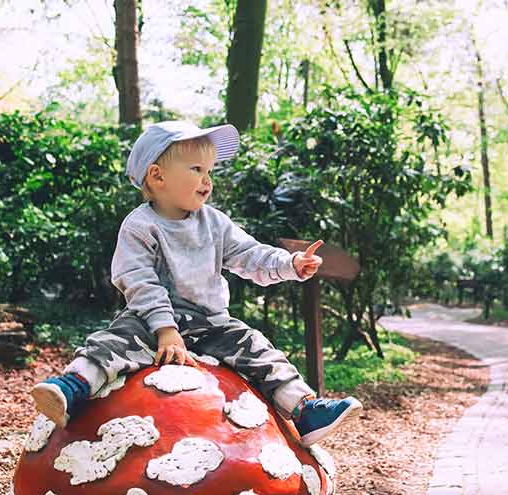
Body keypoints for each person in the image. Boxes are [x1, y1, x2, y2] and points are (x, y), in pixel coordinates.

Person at [30, 120, 362, 447]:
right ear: (157, 176)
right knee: (112, 342)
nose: (207, 180)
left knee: (257, 347)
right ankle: (72, 388)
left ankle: (304, 409)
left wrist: (290, 264)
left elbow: (249, 254)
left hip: (212, 323)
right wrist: (165, 328)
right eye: (197, 169)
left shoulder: (215, 223)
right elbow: (139, 280)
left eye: (209, 171)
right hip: (150, 323)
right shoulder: (140, 226)